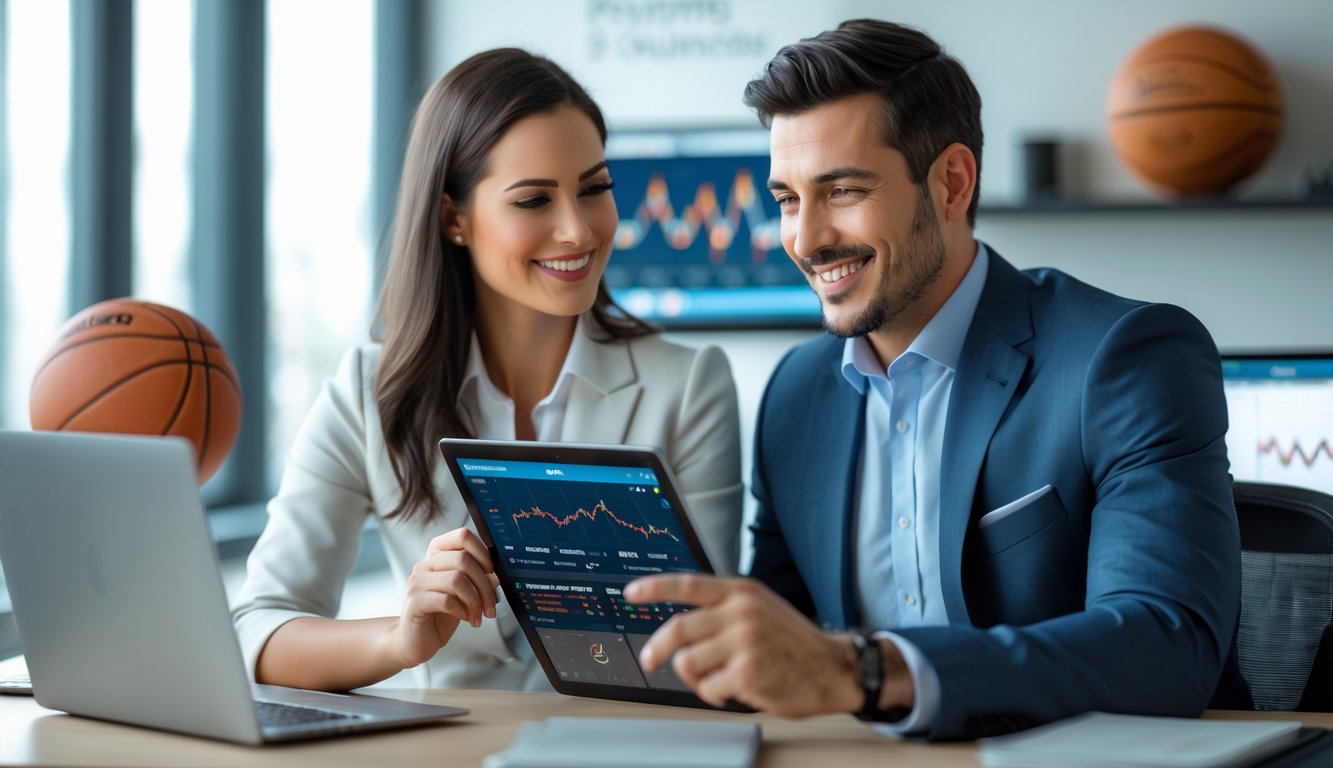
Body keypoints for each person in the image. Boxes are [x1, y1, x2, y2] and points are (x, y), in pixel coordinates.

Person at [626, 19, 1249, 740]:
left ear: (951, 182)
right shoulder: (797, 392)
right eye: (787, 199)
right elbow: (781, 646)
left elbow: (1165, 646)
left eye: (842, 190)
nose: (804, 239)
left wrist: (867, 671)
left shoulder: (1125, 357)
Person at [231, 48, 743, 693]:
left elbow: (713, 648)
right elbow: (258, 627)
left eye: (595, 189)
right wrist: (399, 639)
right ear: (454, 218)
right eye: (533, 200)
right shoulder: (369, 391)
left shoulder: (689, 385)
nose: (577, 230)